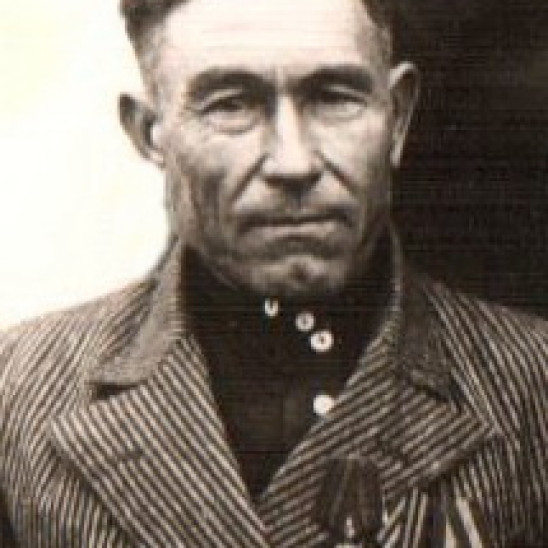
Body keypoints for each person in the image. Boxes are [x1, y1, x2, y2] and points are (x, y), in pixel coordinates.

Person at [0, 0, 546, 546]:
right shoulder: (18, 391)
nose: (294, 162)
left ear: (398, 117)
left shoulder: (532, 386)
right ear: (150, 132)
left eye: (334, 98)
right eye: (232, 105)